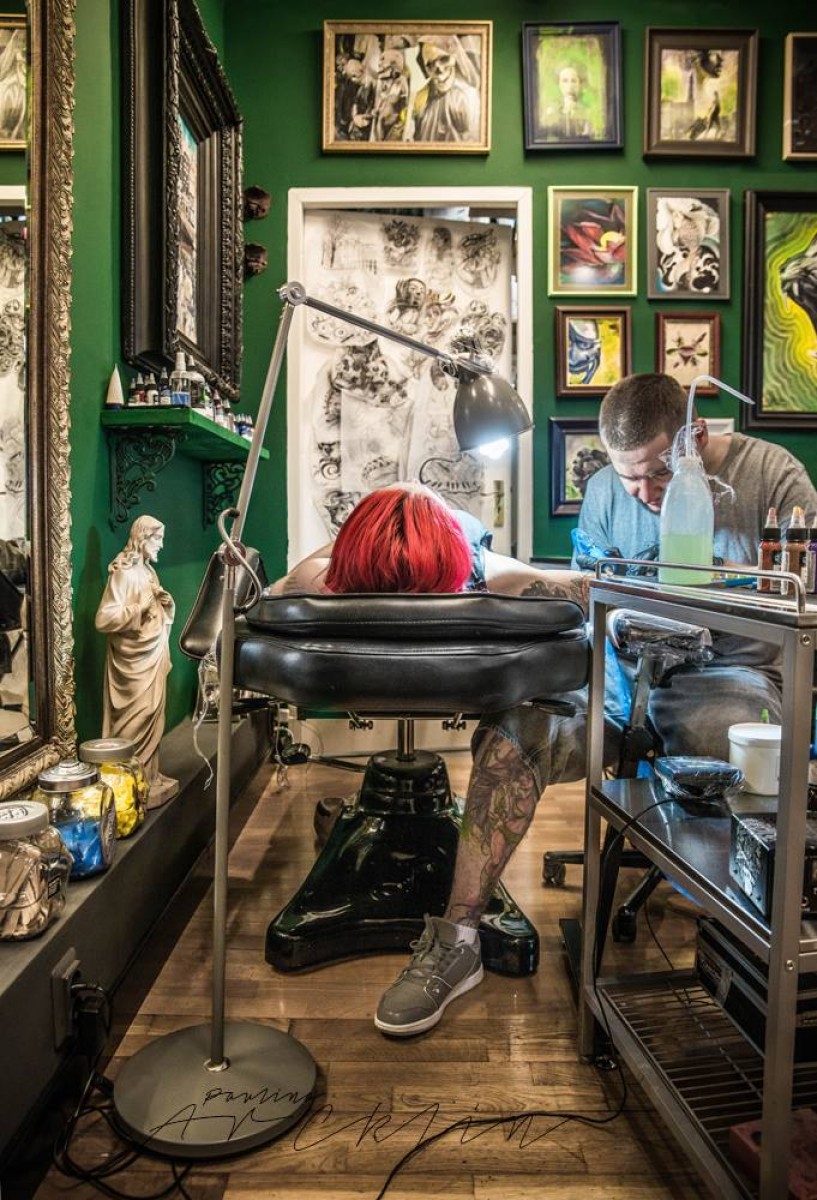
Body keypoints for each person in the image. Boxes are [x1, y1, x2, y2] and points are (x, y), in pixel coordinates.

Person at [95, 515, 178, 806]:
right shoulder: (124, 573)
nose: (161, 545)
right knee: (135, 718)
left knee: (154, 714)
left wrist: (166, 605)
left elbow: (154, 613)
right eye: (157, 538)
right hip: (132, 662)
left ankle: (150, 776)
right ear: (142, 538)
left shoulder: (148, 572)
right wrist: (138, 607)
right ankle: (129, 782)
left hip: (153, 654)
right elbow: (103, 619)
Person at [411, 35, 481, 144]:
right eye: (430, 65)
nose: (439, 70)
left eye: (444, 59)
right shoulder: (423, 101)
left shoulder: (464, 96)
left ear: (455, 57)